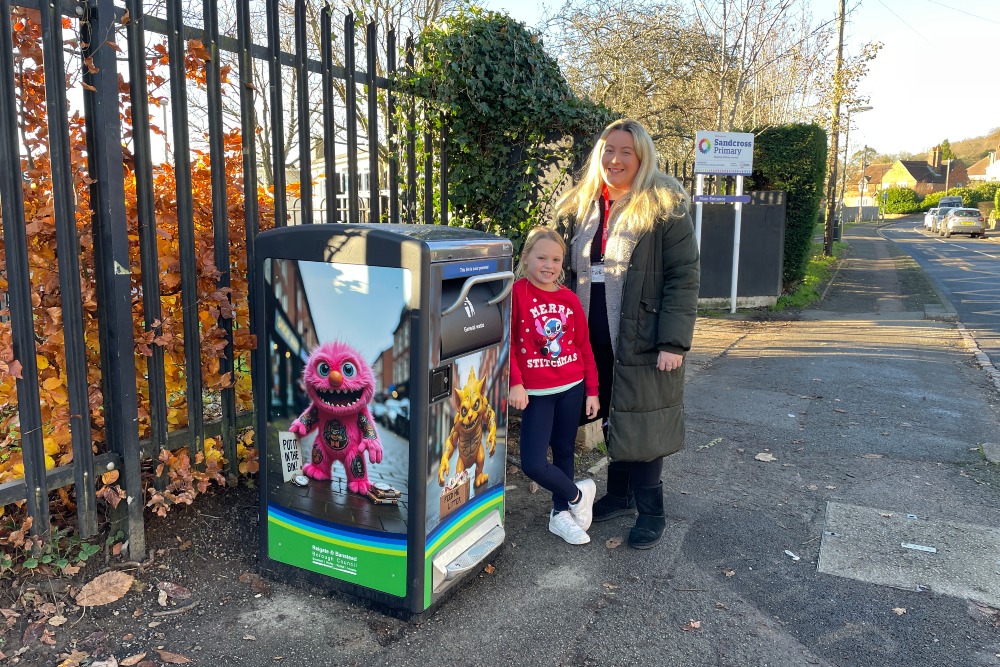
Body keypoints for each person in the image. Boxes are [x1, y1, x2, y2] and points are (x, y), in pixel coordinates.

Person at [555, 119, 700, 549]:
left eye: (626, 152)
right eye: (608, 150)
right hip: (588, 333)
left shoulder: (662, 206)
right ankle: (618, 496)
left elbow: (683, 276)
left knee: (643, 417)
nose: (615, 159)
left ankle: (652, 511)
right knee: (613, 414)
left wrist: (673, 341)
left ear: (642, 158)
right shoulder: (580, 205)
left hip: (641, 334)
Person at [509, 227, 601, 545]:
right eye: (542, 257)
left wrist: (592, 390)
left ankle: (560, 514)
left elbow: (583, 347)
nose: (549, 265)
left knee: (563, 451)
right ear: (526, 258)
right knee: (534, 463)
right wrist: (516, 383)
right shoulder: (517, 294)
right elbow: (506, 343)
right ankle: (578, 493)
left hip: (571, 387)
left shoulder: (569, 299)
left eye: (556, 259)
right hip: (536, 394)